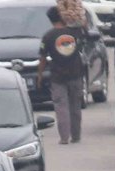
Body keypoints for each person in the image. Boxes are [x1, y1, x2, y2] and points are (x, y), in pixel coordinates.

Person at [37, 5, 86, 145]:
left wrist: (40, 75)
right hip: (76, 74)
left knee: (61, 107)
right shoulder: (75, 32)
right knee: (75, 106)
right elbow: (86, 33)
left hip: (57, 77)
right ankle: (76, 136)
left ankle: (64, 138)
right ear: (62, 16)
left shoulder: (48, 36)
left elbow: (42, 58)